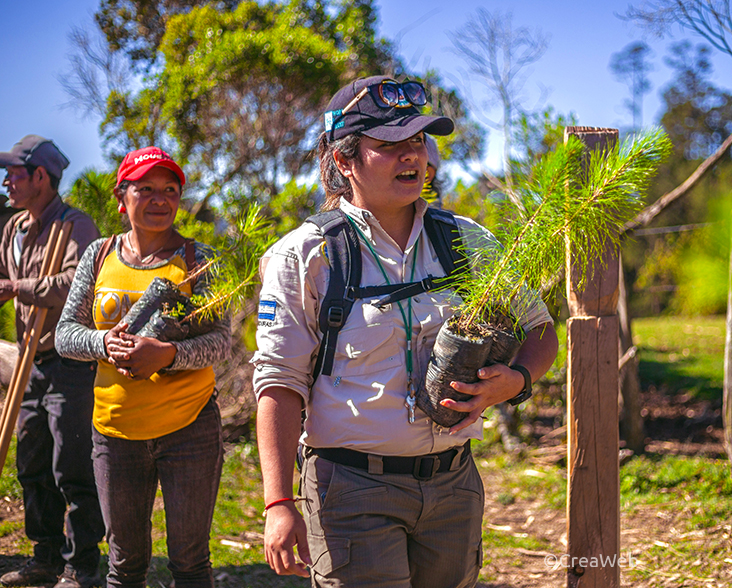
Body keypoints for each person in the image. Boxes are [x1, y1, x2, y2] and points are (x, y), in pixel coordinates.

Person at [252, 75, 559, 588]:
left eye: (417, 141)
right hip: (350, 491)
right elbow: (279, 385)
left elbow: (540, 329)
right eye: (389, 144)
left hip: (454, 487)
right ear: (344, 161)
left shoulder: (464, 240)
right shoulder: (306, 255)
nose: (410, 155)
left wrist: (518, 381)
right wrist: (279, 503)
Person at [55, 147, 231, 588]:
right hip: (115, 433)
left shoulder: (197, 260)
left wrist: (167, 356)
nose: (159, 199)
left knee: (190, 563)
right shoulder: (100, 254)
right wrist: (103, 341)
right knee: (125, 565)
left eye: (170, 190)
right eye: (146, 188)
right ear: (122, 197)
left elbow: (222, 341)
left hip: (189, 428)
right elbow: (64, 334)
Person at [0, 135, 104, 588]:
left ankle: (83, 567)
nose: (6, 182)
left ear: (40, 176)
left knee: (72, 467)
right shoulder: (13, 230)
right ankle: (43, 558)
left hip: (71, 364)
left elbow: (77, 283)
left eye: (15, 174)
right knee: (32, 463)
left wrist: (18, 289)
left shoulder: (76, 225)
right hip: (30, 364)